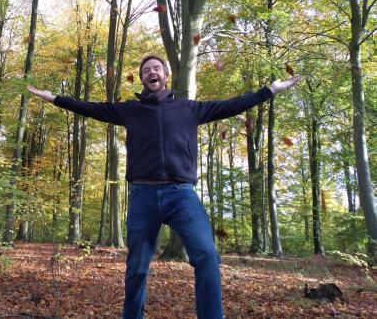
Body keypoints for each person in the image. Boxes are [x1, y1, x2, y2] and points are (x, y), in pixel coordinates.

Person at [28, 54, 300, 319]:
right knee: (137, 267)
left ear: (166, 76)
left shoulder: (190, 109)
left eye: (156, 68)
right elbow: (91, 108)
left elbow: (231, 105)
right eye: (146, 70)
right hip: (142, 195)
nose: (151, 72)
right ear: (143, 79)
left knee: (207, 256)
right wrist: (55, 98)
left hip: (181, 194)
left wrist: (270, 90)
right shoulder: (130, 111)